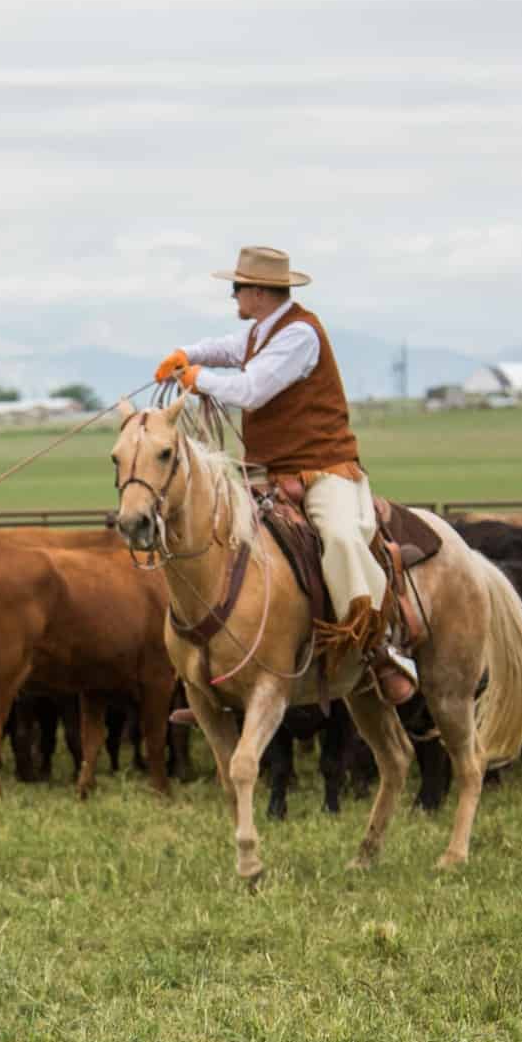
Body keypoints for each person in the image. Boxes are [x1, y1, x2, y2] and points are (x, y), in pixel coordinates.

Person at [153, 245, 417, 704]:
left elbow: (252, 390)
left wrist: (198, 379)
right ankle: (228, 670)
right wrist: (186, 354)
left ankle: (376, 644)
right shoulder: (264, 331)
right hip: (273, 472)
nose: (233, 295)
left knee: (340, 538)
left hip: (324, 469)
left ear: (258, 292)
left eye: (238, 287)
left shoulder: (300, 336)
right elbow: (229, 349)